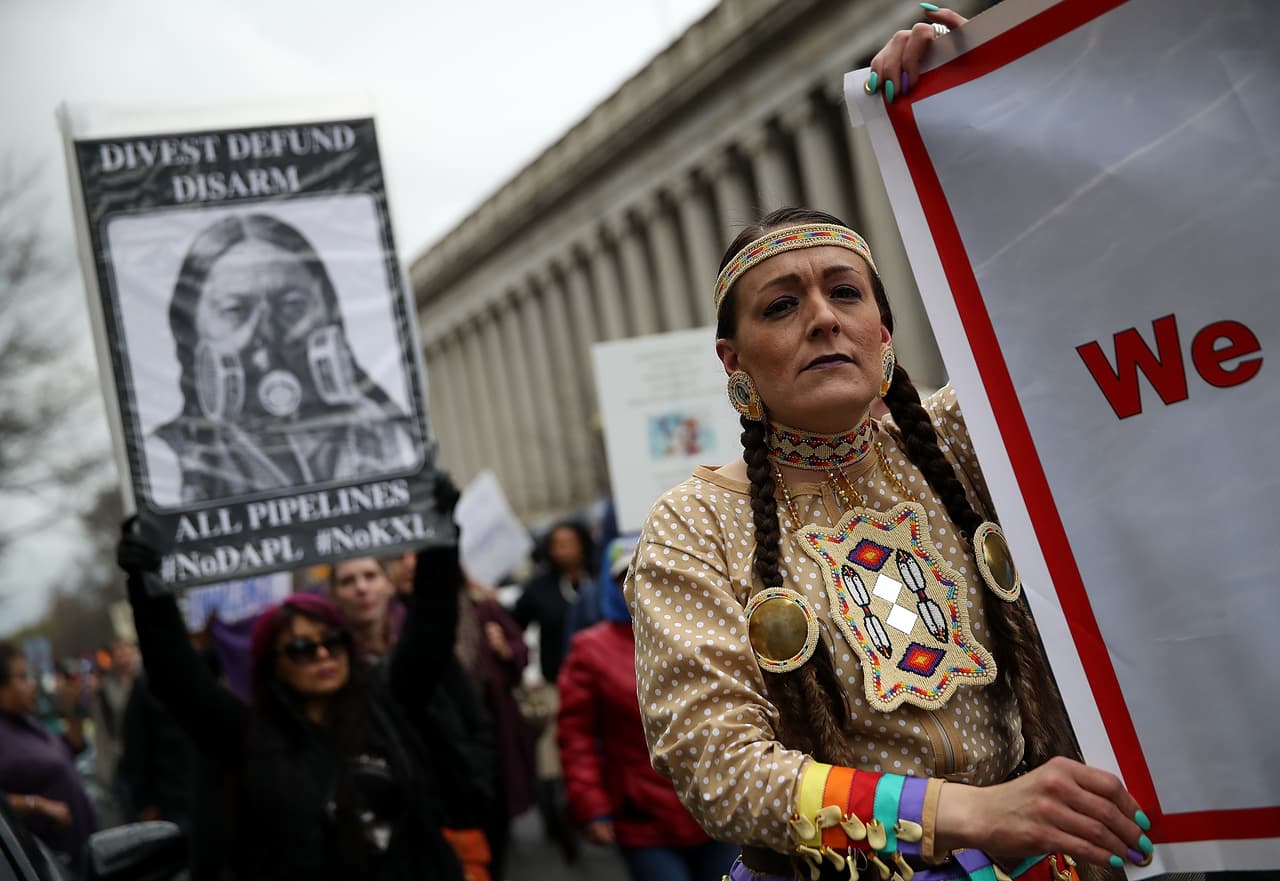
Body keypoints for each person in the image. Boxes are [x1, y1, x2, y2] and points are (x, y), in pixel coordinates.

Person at [625, 197, 1157, 879]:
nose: (823, 318)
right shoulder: (691, 523)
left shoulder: (962, 441)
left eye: (845, 292)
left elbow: (1080, 296)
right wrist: (969, 813)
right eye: (781, 307)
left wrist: (938, 95)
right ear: (733, 361)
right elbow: (718, 769)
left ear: (884, 331)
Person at [117, 479, 468, 881]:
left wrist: (439, 535)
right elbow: (179, 681)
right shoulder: (248, 739)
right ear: (275, 664)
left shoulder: (386, 705)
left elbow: (431, 633)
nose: (322, 655)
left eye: (332, 642)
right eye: (302, 648)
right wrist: (146, 587)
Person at [147, 212, 418, 505]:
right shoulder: (170, 465)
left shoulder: (390, 442)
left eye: (291, 306)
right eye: (235, 310)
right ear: (191, 331)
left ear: (328, 311)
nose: (266, 339)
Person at [558, 537, 737, 881]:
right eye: (624, 576)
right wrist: (592, 806)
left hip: (716, 806)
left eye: (646, 573)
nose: (635, 586)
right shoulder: (590, 650)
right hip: (644, 818)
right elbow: (576, 737)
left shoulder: (698, 631)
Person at [330, 553, 498, 881]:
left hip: (452, 819)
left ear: (389, 584)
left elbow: (477, 722)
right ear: (334, 595)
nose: (361, 588)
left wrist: (474, 785)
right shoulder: (331, 669)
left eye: (369, 576)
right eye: (348, 581)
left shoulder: (426, 648)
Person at [513, 520, 596, 860]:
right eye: (556, 544)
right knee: (553, 759)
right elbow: (513, 626)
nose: (563, 551)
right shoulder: (539, 590)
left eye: (569, 543)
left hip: (600, 682)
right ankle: (562, 822)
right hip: (556, 684)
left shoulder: (602, 581)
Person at [0, 642, 97, 877]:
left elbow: (67, 749)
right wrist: (38, 804)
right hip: (49, 867)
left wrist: (76, 709)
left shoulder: (26, 722)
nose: (33, 685)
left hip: (84, 855)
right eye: (22, 677)